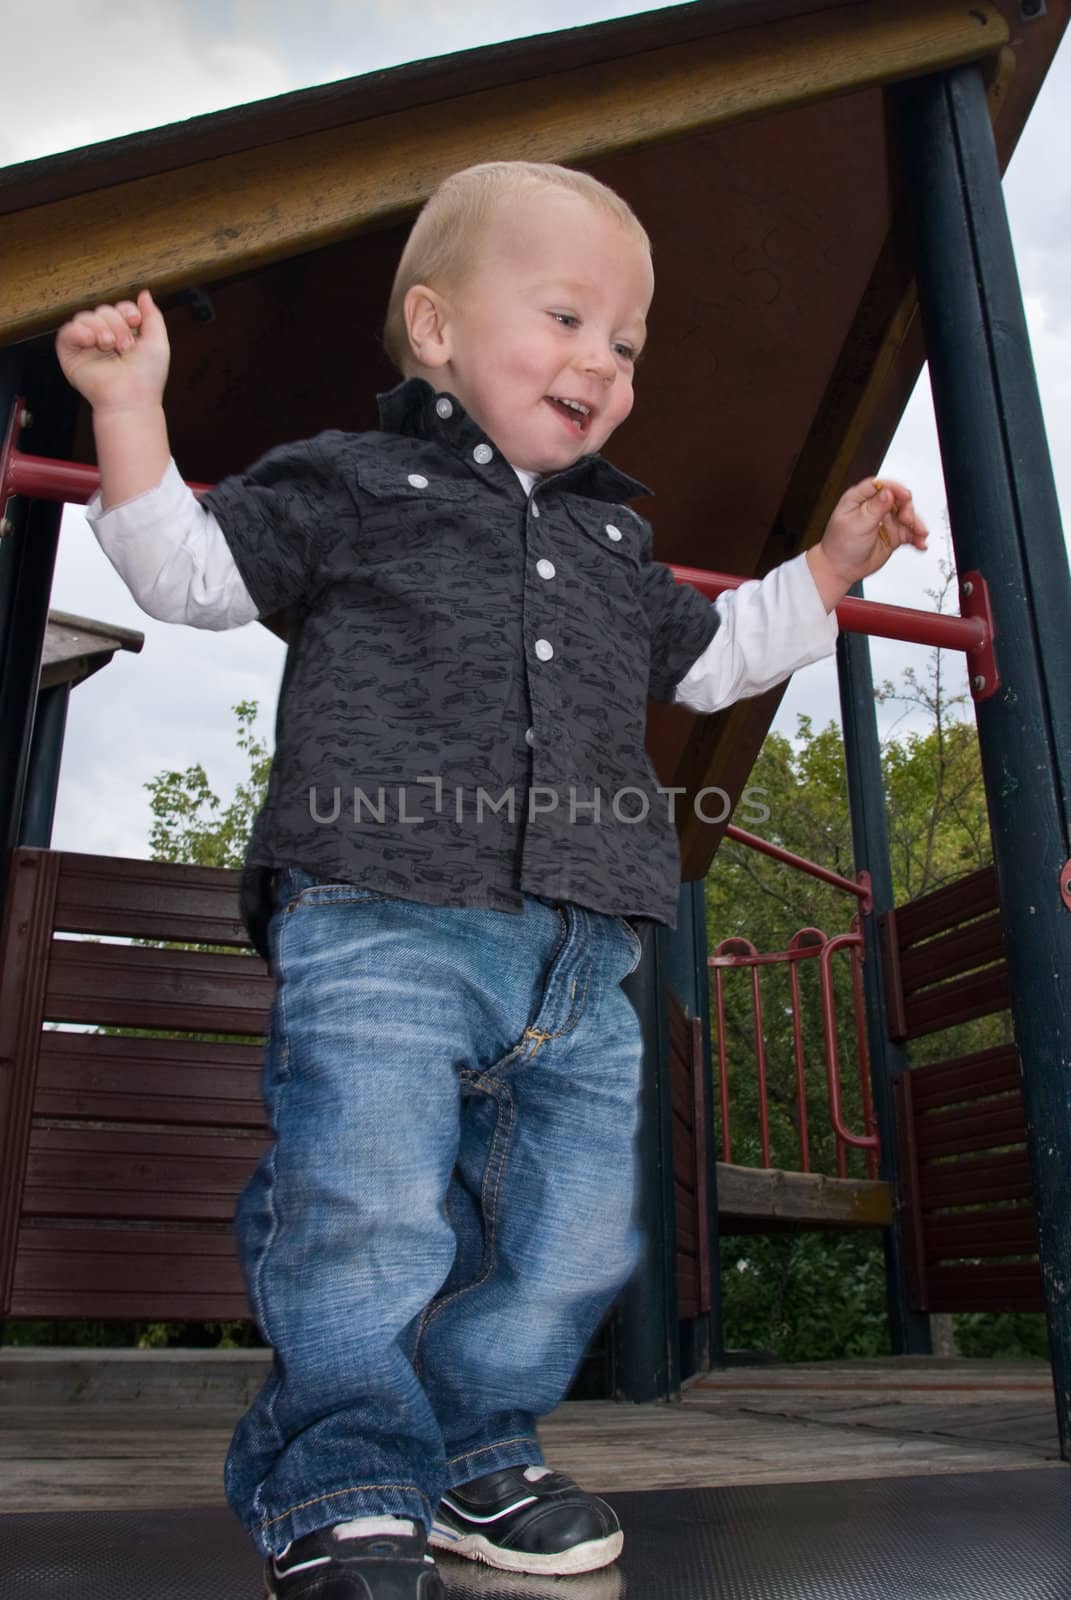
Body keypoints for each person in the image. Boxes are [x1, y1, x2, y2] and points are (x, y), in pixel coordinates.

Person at [56, 160, 927, 1600]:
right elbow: (195, 579)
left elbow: (710, 659)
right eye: (569, 317)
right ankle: (346, 1468)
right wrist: (129, 411)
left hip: (582, 950)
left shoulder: (611, 539)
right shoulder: (347, 481)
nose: (603, 362)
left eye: (628, 346)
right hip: (381, 916)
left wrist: (827, 566)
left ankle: (475, 1450)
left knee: (573, 1233)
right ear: (439, 329)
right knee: (369, 1207)